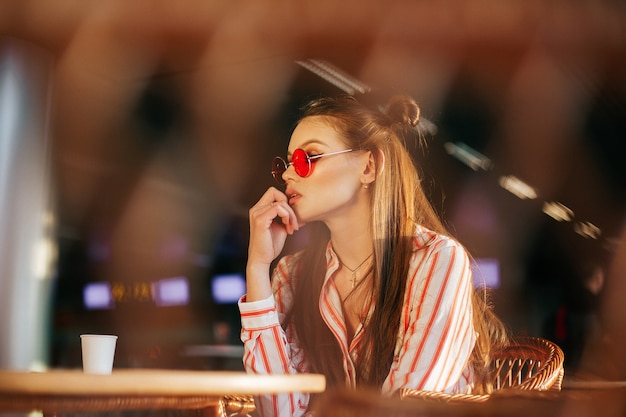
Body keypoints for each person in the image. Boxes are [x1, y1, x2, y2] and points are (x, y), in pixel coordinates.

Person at [239, 94, 507, 417]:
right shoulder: (291, 273)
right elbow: (278, 410)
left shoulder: (436, 261)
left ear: (368, 166)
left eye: (308, 158)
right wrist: (257, 267)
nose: (287, 175)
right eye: (286, 162)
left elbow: (404, 408)